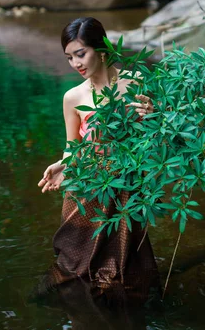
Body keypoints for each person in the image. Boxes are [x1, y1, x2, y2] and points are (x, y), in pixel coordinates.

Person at [37, 17, 159, 298]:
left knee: (125, 265)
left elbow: (152, 145)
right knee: (77, 264)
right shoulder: (72, 97)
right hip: (85, 188)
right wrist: (62, 165)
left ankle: (125, 326)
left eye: (80, 54)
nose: (75, 64)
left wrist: (152, 118)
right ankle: (79, 318)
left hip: (125, 186)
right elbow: (73, 147)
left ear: (102, 49)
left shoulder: (136, 83)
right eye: (69, 58)